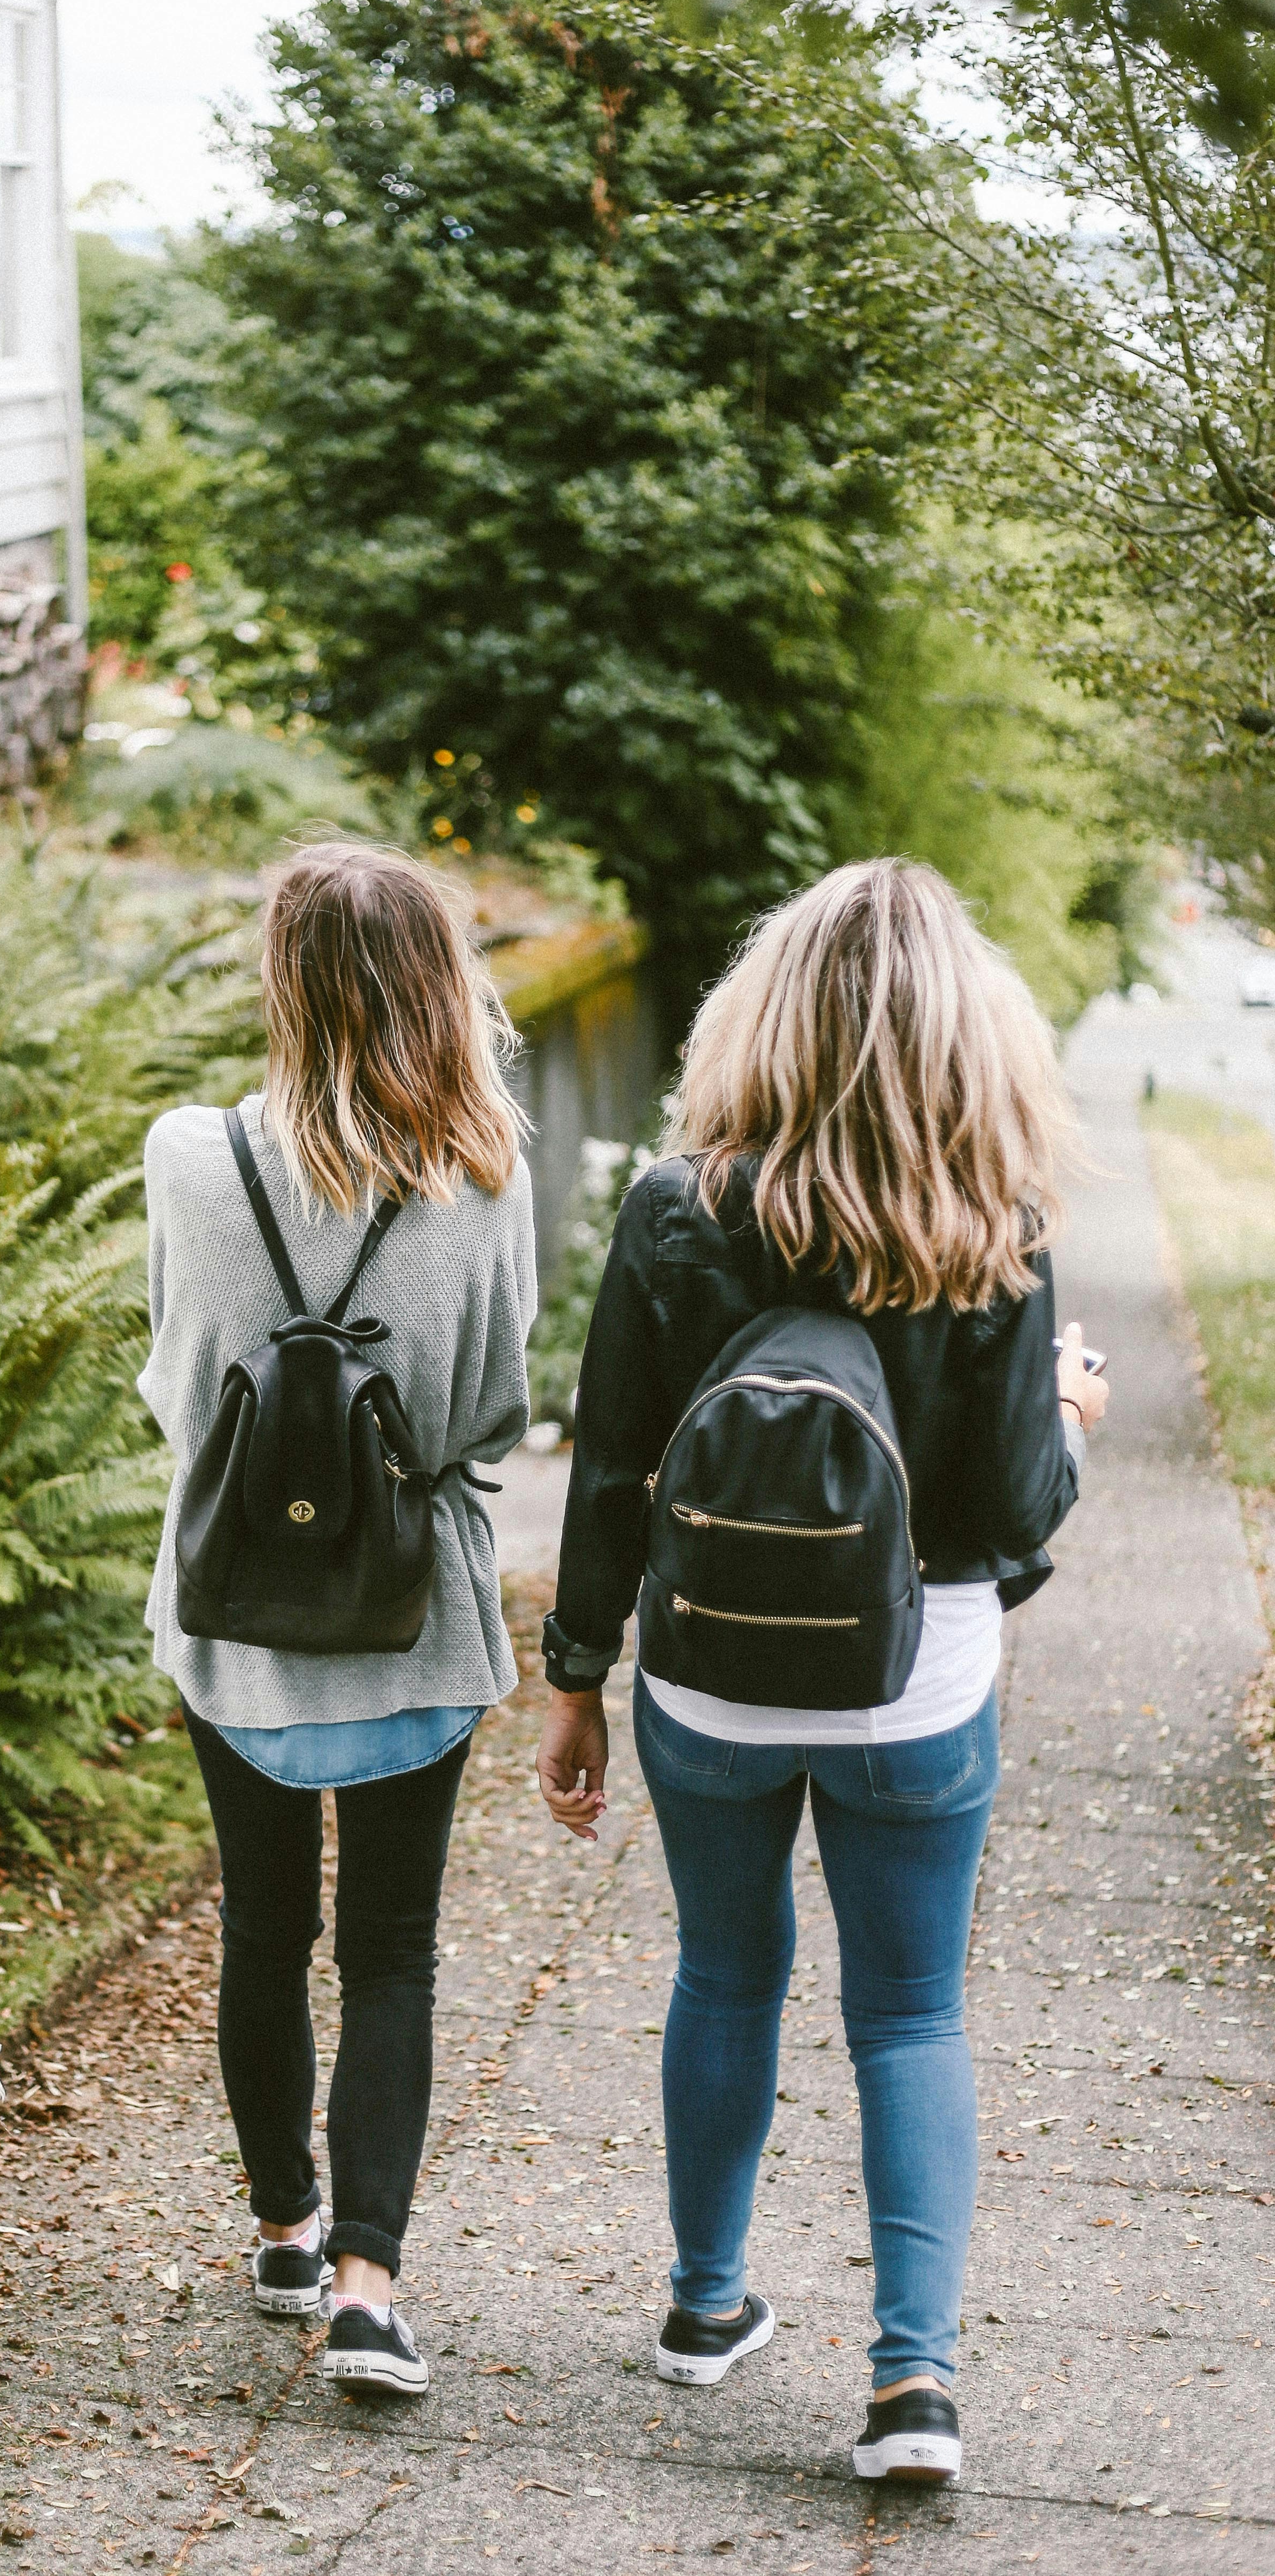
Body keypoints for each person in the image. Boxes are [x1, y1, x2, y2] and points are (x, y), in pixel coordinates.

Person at [533, 859, 1108, 2487]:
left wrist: (575, 1676)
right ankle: (910, 2387)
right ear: (967, 1032)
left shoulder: (673, 1206)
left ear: (761, 1012)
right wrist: (1065, 1410)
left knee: (725, 1977)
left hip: (706, 1685)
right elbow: (1004, 1515)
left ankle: (704, 2309)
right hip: (916, 1685)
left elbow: (611, 1472)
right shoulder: (988, 1220)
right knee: (910, 2013)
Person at [139, 842, 535, 2400]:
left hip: (235, 1622)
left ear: (283, 982)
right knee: (390, 1955)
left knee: (259, 1925)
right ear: (440, 985)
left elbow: (174, 1388)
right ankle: (368, 2290)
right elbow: (495, 1408)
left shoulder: (189, 1157)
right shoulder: (484, 1173)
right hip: (409, 1626)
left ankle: (286, 2228)